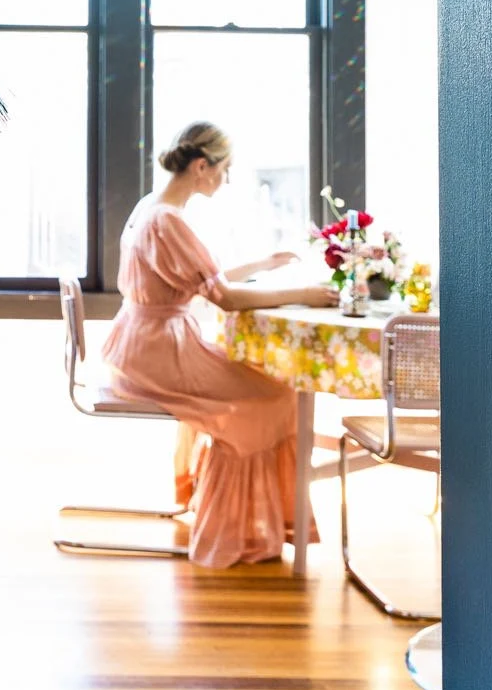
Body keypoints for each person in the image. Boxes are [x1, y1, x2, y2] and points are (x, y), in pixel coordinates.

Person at [103, 122, 339, 569]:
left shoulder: (151, 208)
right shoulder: (169, 220)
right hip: (157, 353)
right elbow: (225, 298)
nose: (225, 179)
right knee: (273, 394)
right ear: (201, 166)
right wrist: (303, 294)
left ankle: (234, 510)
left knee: (265, 386)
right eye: (224, 170)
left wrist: (264, 264)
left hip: (136, 345)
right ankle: (237, 525)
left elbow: (202, 277)